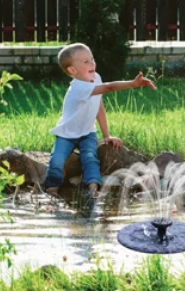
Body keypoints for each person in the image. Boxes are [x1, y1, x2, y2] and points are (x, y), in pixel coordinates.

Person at [43, 43, 157, 197]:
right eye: (86, 62)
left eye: (92, 59)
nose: (93, 64)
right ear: (72, 70)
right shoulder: (78, 88)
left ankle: (93, 187)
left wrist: (106, 135)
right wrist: (133, 84)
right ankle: (52, 189)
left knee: (90, 158)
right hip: (66, 134)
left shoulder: (96, 78)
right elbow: (109, 87)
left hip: (87, 132)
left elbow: (99, 107)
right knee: (57, 160)